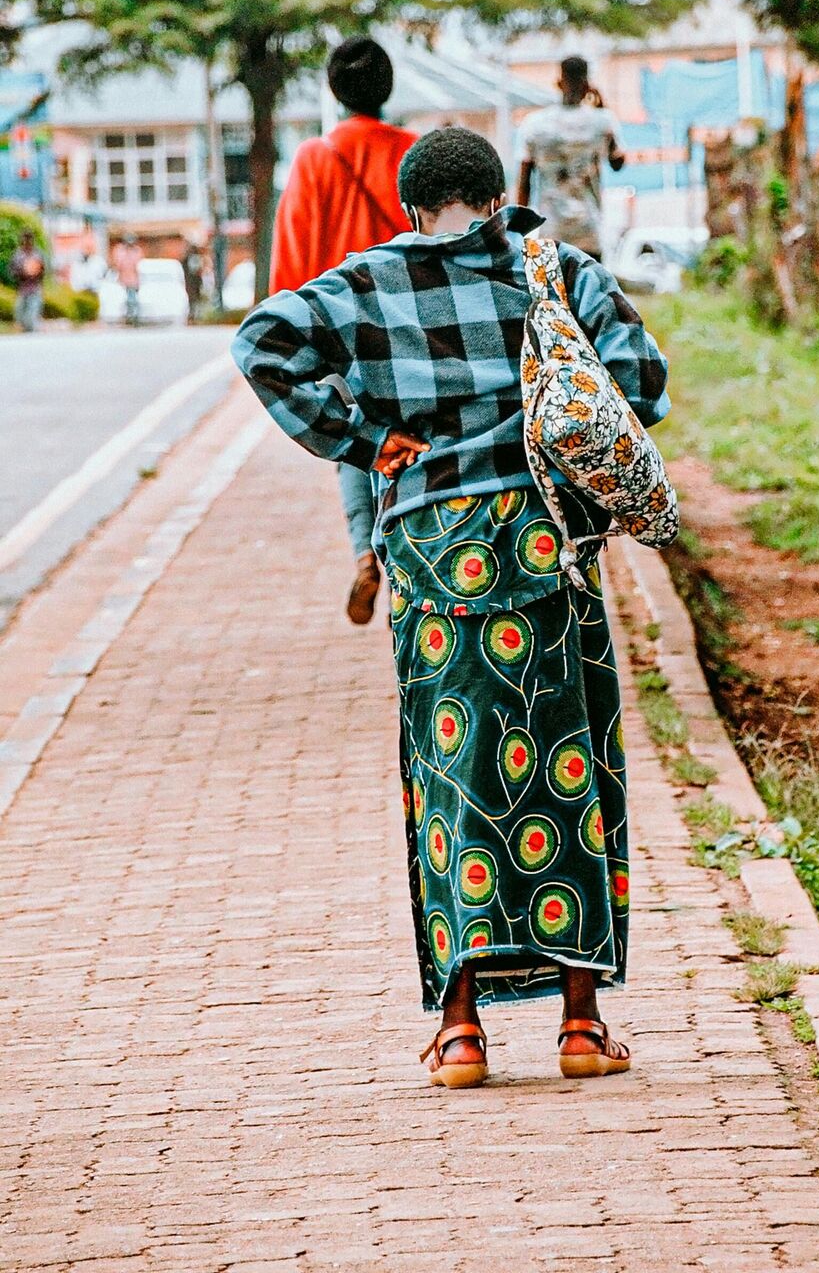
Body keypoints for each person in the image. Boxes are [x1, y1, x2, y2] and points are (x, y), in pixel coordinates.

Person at [233, 126, 670, 1089]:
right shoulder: (560, 270)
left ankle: (464, 1034)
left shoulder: (365, 283)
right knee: (567, 765)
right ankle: (582, 1028)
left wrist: (362, 437)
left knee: (451, 770)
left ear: (411, 209)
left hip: (432, 551)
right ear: (496, 189)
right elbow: (642, 383)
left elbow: (259, 342)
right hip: (544, 541)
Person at [269, 35, 417, 625]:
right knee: (417, 442)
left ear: (334, 90)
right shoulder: (414, 153)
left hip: (340, 339)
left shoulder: (314, 158)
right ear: (388, 88)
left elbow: (290, 268)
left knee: (358, 449)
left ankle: (366, 553)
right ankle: (410, 559)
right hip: (410, 330)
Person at [516, 54, 626, 258]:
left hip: (550, 233)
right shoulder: (602, 122)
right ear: (587, 86)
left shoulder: (535, 124)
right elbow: (618, 162)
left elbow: (524, 183)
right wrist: (601, 107)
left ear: (559, 83)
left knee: (548, 291)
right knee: (590, 290)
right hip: (589, 231)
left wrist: (517, 231)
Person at [10, 229, 46, 332]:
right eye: (25, 239)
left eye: (29, 239)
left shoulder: (37, 254)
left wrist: (36, 271)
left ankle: (33, 331)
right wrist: (23, 272)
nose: (27, 242)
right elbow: (12, 271)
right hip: (23, 289)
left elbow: (43, 271)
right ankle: (26, 330)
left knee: (32, 313)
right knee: (19, 312)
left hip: (35, 288)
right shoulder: (18, 255)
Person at [112, 234, 142, 324]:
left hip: (133, 280)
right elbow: (118, 264)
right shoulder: (120, 251)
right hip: (122, 280)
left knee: (133, 299)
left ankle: (133, 316)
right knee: (126, 300)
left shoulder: (136, 251)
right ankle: (128, 316)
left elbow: (138, 264)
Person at [182, 242, 205, 323]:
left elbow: (198, 270)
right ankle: (193, 316)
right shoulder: (191, 259)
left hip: (194, 283)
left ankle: (195, 316)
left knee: (194, 300)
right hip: (192, 283)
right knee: (193, 300)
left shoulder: (194, 258)